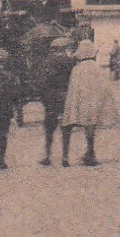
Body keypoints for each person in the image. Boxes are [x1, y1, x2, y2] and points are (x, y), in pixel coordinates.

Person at [61, 41, 120, 165]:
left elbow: (73, 88)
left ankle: (65, 158)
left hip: (77, 101)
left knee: (68, 125)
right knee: (90, 127)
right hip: (92, 101)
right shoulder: (96, 67)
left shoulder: (77, 69)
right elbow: (103, 87)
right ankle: (90, 153)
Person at [38, 36, 75, 166]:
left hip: (51, 96)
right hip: (66, 95)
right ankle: (65, 158)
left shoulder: (48, 61)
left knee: (49, 128)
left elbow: (43, 80)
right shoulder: (70, 61)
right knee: (66, 127)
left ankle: (47, 156)